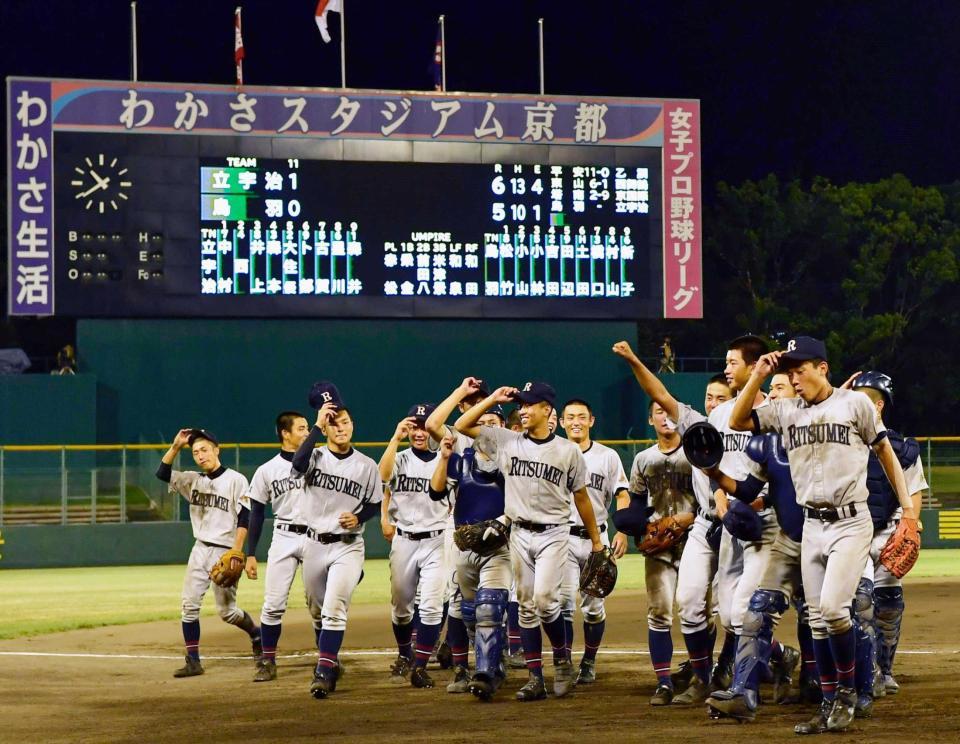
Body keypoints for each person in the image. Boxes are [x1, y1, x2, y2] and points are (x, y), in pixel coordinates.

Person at [729, 337, 918, 734]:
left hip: (851, 522)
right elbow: (738, 420)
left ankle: (847, 693)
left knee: (834, 610)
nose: (794, 379)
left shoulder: (855, 404)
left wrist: (907, 514)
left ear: (823, 368)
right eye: (789, 372)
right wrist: (759, 375)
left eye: (801, 370)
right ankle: (830, 702)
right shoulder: (786, 411)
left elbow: (886, 455)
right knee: (817, 622)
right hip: (810, 525)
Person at [614, 337, 773, 706]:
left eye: (733, 363)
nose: (712, 401)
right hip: (708, 522)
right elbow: (661, 394)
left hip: (753, 520)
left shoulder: (774, 414)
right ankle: (703, 678)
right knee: (688, 602)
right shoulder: (712, 421)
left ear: (753, 368)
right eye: (708, 395)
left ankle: (776, 659)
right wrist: (634, 360)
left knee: (737, 614)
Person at [455, 381, 603, 702]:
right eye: (520, 405)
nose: (522, 410)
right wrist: (493, 398)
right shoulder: (507, 441)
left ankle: (561, 658)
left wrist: (597, 542)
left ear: (547, 409)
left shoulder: (568, 451)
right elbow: (462, 425)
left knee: (546, 601)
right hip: (519, 533)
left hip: (553, 533)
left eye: (529, 405)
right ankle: (536, 678)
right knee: (525, 608)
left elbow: (581, 498)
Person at [694, 373, 807, 722]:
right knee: (748, 612)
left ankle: (846, 691)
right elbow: (747, 489)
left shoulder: (821, 434)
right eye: (770, 388)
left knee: (829, 615)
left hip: (831, 532)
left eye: (780, 388)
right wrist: (714, 473)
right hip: (785, 538)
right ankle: (745, 694)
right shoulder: (768, 445)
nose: (773, 395)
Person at [291, 382, 384, 700]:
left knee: (333, 609)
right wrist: (316, 426)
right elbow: (297, 464)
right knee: (317, 612)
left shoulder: (367, 466)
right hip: (314, 545)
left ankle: (325, 670)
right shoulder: (314, 457)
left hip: (348, 545)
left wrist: (360, 518)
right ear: (325, 428)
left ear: (353, 424)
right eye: (333, 422)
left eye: (344, 421)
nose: (340, 427)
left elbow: (374, 503)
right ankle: (329, 658)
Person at [155, 427, 261, 678]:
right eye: (195, 452)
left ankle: (256, 633)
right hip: (200, 549)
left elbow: (245, 516)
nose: (200, 455)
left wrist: (237, 552)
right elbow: (162, 473)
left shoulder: (236, 480)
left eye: (204, 449)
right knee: (189, 605)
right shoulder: (192, 480)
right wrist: (176, 446)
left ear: (216, 449)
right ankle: (193, 660)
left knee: (227, 612)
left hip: (225, 552)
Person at [850, 371, 927, 706]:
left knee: (889, 605)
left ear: (878, 406)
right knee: (862, 603)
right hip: (853, 530)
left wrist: (910, 521)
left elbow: (915, 489)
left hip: (889, 529)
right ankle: (870, 673)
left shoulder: (903, 448)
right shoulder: (844, 442)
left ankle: (886, 667)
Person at [430, 407, 512, 700]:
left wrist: (503, 522)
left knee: (489, 607)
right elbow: (436, 492)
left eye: (494, 424)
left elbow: (521, 501)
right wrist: (442, 458)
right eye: (483, 424)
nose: (487, 430)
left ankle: (486, 673)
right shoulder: (460, 460)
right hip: (465, 548)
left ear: (503, 429)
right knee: (469, 614)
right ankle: (494, 660)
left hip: (499, 548)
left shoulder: (512, 463)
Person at [623, 400, 696, 704]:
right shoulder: (643, 459)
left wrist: (687, 520)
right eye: (658, 412)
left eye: (669, 412)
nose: (665, 417)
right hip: (659, 548)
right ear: (650, 419)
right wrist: (636, 525)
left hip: (696, 543)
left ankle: (700, 673)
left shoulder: (695, 454)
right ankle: (664, 682)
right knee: (660, 613)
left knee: (699, 612)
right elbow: (637, 501)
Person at [558, 398, 630, 685]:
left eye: (581, 416)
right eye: (570, 417)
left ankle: (588, 660)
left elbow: (622, 494)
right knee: (562, 603)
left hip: (595, 541)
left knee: (593, 608)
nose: (576, 421)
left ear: (591, 421)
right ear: (561, 422)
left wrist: (622, 529)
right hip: (561, 537)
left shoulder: (607, 457)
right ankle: (563, 661)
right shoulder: (554, 453)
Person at [379, 404, 448, 689]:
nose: (419, 433)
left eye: (424, 426)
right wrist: (395, 439)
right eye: (414, 426)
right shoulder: (400, 458)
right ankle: (405, 653)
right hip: (404, 538)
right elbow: (383, 479)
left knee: (431, 607)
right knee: (401, 606)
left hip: (437, 539)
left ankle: (419, 665)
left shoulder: (446, 458)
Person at [244, 411, 312, 682]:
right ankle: (267, 661)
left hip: (315, 537)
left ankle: (328, 659)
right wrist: (250, 553)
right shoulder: (267, 470)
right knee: (273, 604)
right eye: (302, 428)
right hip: (283, 536)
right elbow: (257, 513)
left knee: (319, 605)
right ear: (285, 433)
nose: (308, 433)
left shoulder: (318, 461)